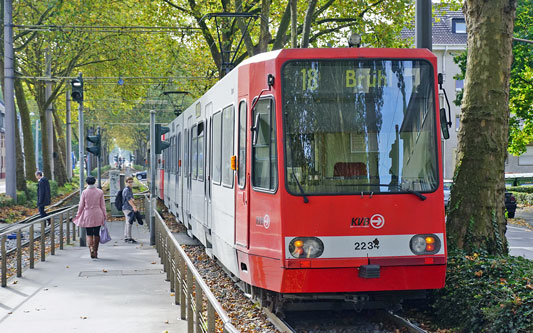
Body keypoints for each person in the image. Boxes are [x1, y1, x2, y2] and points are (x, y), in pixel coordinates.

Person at [72, 176, 107, 259]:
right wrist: (105, 215)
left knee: (89, 233)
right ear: (95, 182)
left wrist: (78, 215)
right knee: (96, 233)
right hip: (98, 213)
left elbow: (81, 205)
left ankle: (91, 248)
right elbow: (103, 205)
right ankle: (96, 251)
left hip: (88, 214)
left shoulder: (84, 192)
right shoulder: (100, 192)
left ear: (87, 182)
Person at [122, 176, 138, 243]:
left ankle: (126, 236)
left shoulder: (129, 189)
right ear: (126, 182)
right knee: (129, 223)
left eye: (131, 182)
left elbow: (130, 198)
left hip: (127, 208)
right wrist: (134, 206)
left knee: (127, 222)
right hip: (127, 208)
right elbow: (129, 200)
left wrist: (132, 200)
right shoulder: (127, 190)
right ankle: (129, 238)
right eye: (129, 182)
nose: (131, 183)